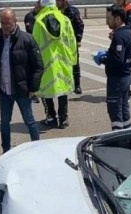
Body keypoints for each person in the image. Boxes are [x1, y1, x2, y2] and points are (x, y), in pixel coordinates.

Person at [0, 8, 44, 153]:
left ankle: (37, 148)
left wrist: (33, 88)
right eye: (3, 23)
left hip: (22, 90)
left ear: (15, 20)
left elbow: (38, 66)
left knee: (29, 121)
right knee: (4, 123)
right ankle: (6, 151)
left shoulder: (27, 39)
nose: (5, 26)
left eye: (8, 22)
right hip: (4, 89)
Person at [32, 0, 77, 129]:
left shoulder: (39, 21)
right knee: (63, 90)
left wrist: (34, 64)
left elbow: (34, 45)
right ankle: (63, 119)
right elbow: (72, 41)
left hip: (46, 63)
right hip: (64, 62)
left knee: (45, 91)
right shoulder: (65, 20)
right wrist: (73, 60)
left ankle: (51, 117)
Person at [97, 5, 131, 130]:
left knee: (115, 110)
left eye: (110, 18)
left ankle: (118, 139)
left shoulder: (119, 36)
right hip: (125, 76)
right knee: (124, 108)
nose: (108, 21)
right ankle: (127, 134)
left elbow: (118, 59)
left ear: (118, 19)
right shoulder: (128, 33)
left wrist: (103, 59)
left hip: (117, 79)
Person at [57, 0, 84, 95]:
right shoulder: (55, 11)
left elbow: (80, 25)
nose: (57, 2)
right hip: (59, 43)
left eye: (59, 1)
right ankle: (63, 83)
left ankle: (77, 85)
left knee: (75, 63)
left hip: (71, 42)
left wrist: (78, 40)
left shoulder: (73, 11)